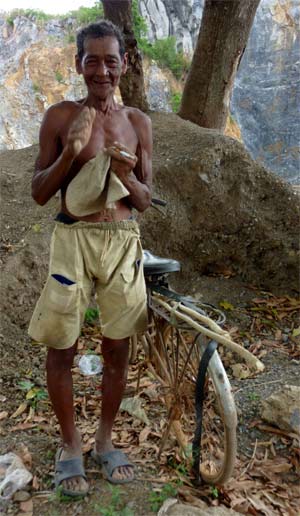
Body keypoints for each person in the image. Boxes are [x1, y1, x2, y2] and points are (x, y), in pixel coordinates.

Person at [28, 20, 152, 497]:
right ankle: (71, 444)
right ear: (78, 64)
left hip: (121, 240)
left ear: (123, 65)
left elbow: (143, 200)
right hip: (73, 241)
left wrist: (127, 174)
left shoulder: (137, 122)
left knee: (117, 344)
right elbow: (40, 194)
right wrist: (71, 153)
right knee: (62, 345)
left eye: (111, 60)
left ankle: (104, 439)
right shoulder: (59, 118)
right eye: (92, 60)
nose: (102, 70)